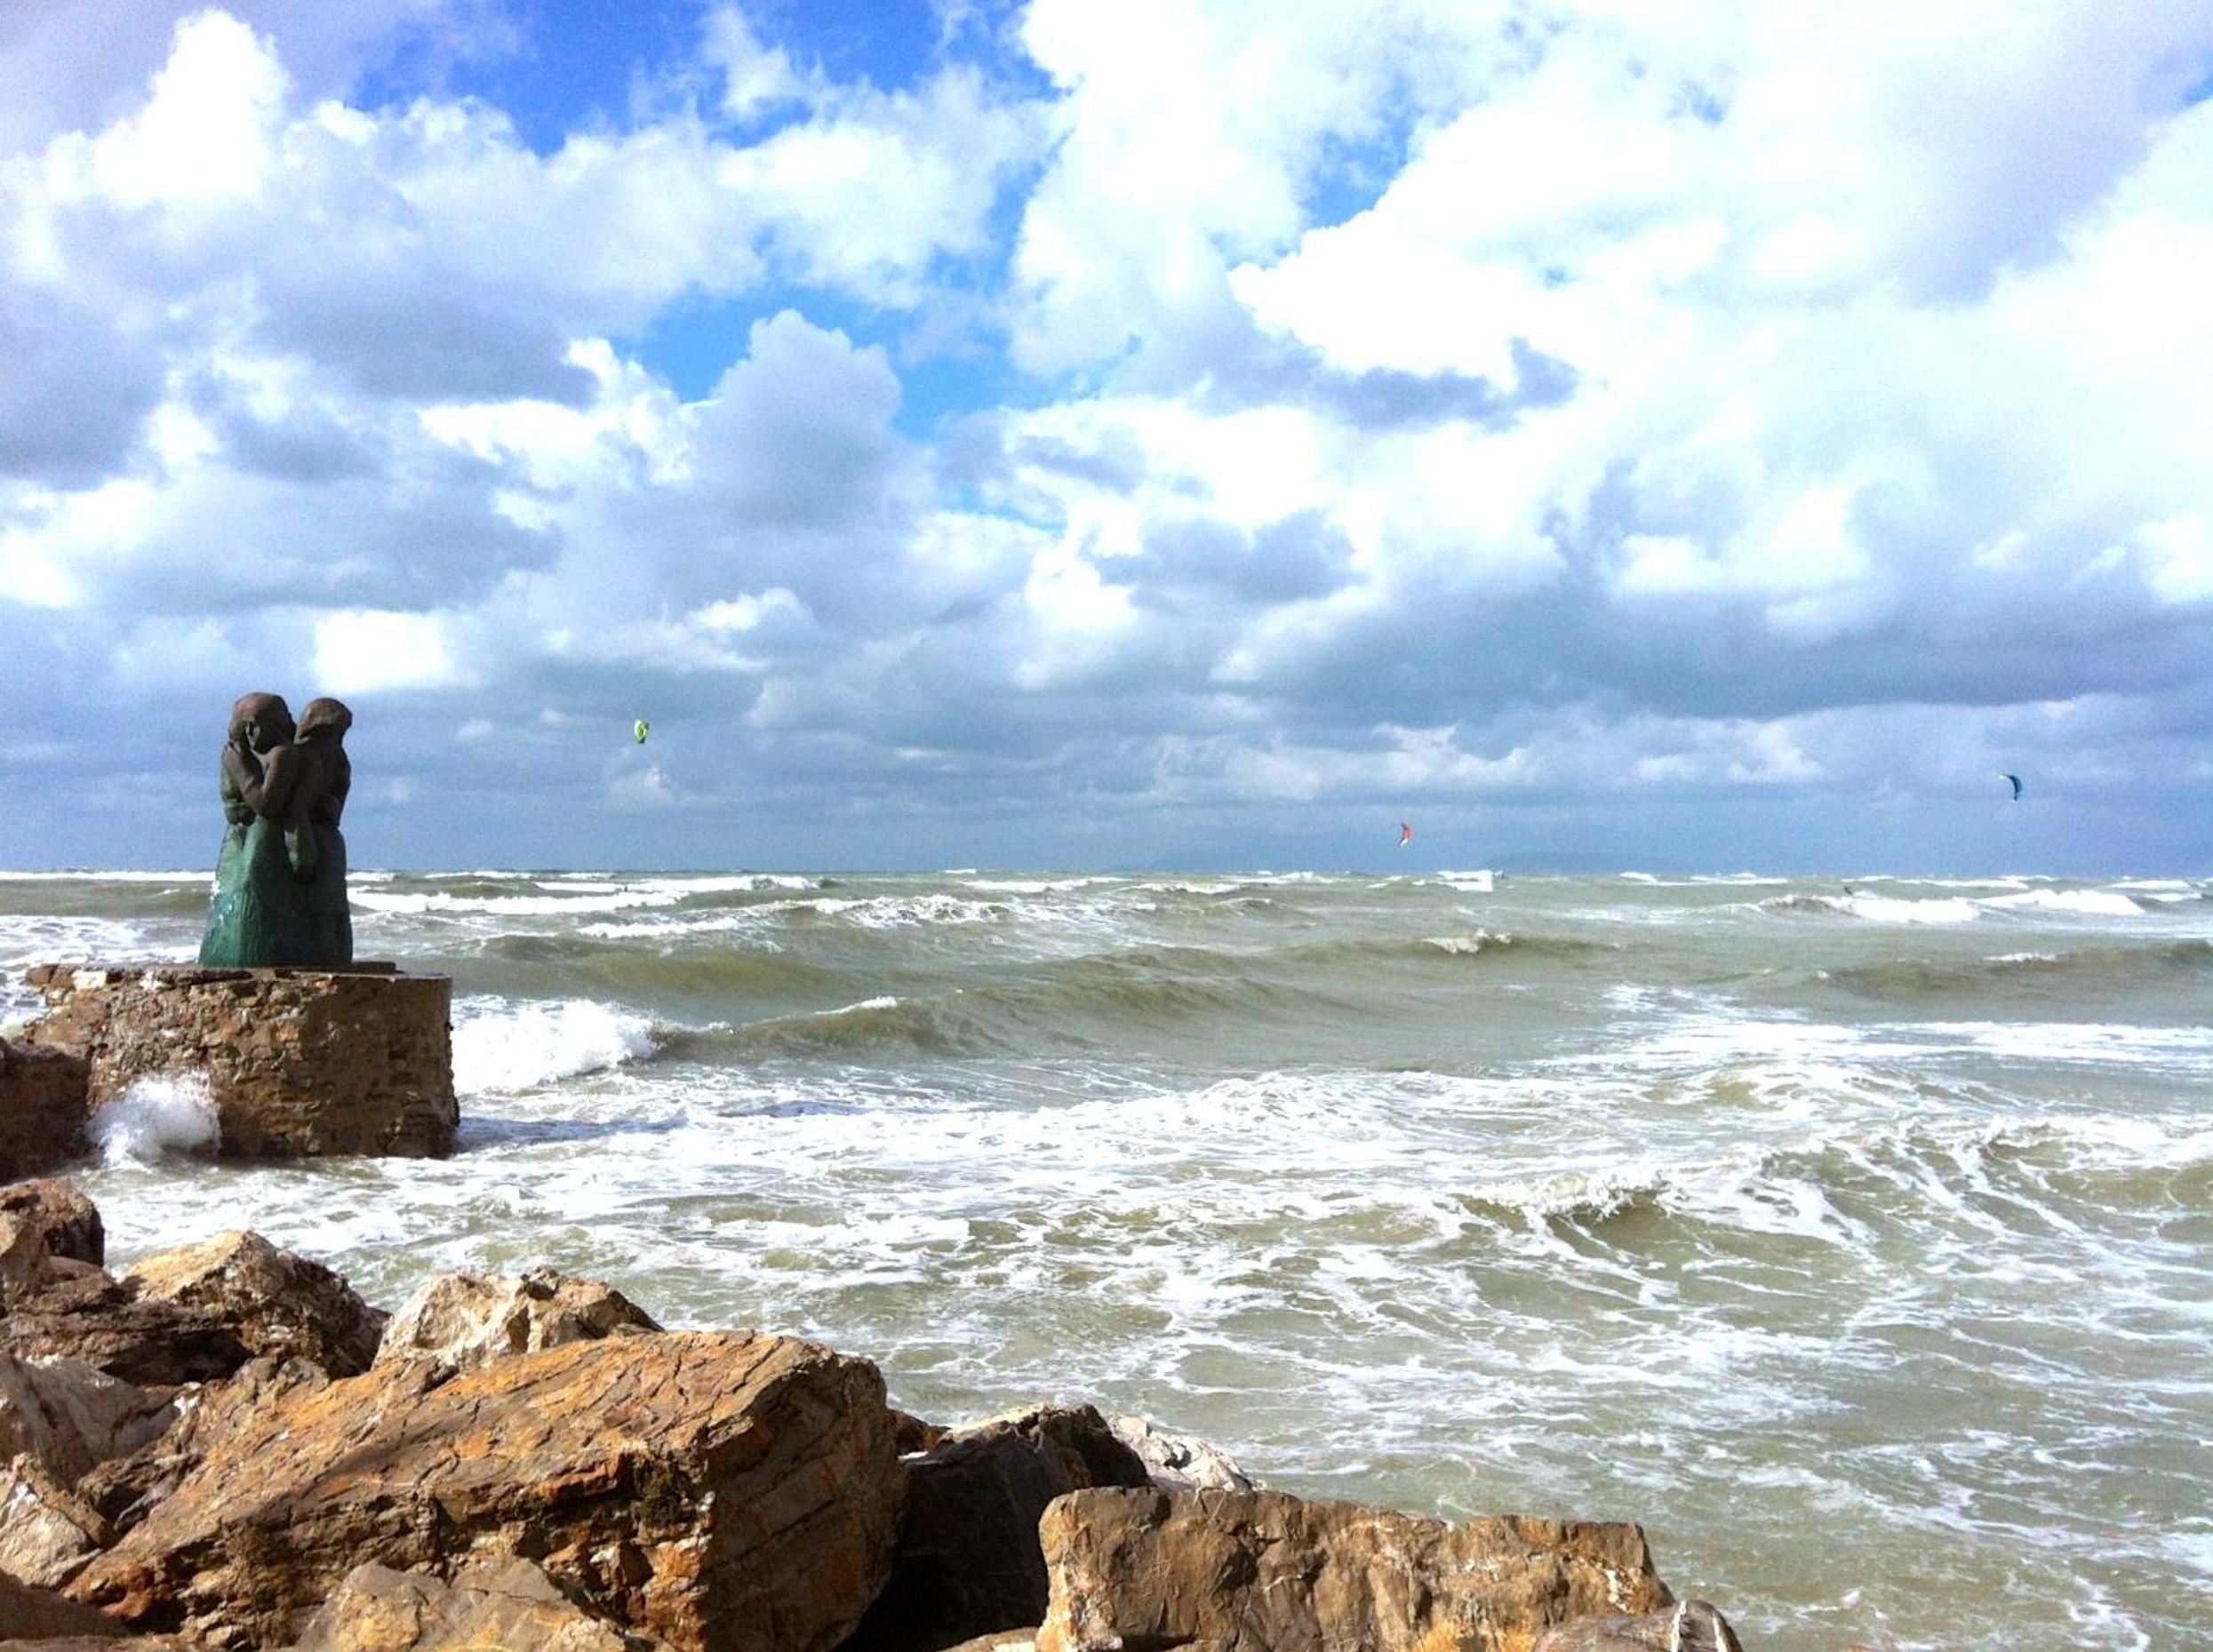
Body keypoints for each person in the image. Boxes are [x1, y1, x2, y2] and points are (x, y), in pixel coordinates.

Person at [199, 692, 315, 965]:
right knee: (228, 896)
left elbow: (267, 805)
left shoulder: (282, 754)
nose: (249, 734)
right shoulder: (241, 752)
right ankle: (226, 955)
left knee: (253, 894)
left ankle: (259, 955)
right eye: (245, 728)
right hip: (238, 835)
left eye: (254, 727)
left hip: (263, 835)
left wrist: (240, 769)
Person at [293, 697, 354, 965]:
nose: (339, 739)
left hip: (326, 836)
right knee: (313, 902)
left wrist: (329, 805)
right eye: (335, 732)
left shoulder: (338, 760)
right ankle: (318, 952)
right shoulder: (300, 755)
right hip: (307, 834)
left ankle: (332, 953)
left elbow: (337, 801)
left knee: (331, 901)